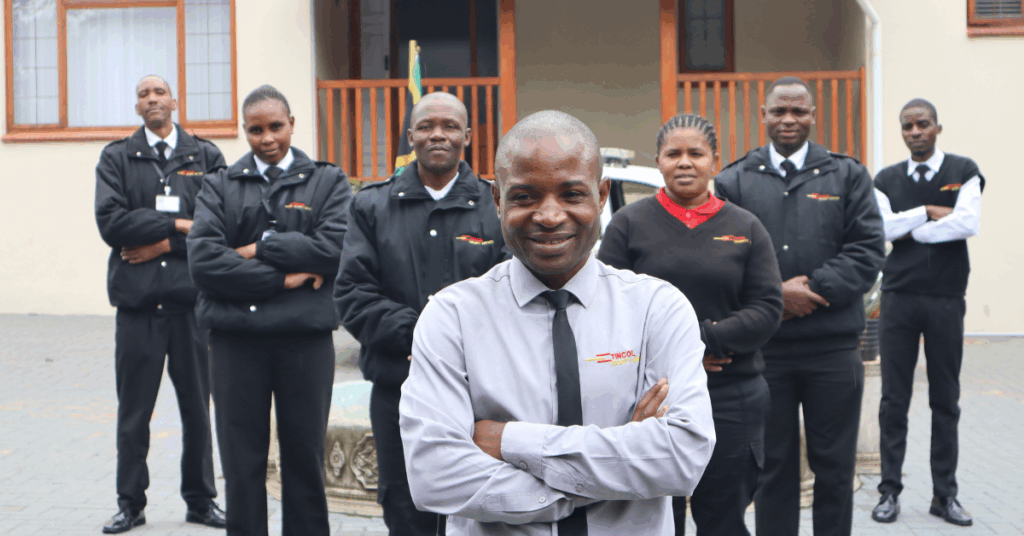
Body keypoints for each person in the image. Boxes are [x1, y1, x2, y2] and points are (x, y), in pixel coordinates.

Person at [399, 110, 716, 535]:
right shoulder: (452, 317)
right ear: (497, 200)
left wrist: (509, 441)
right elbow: (434, 475)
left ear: (601, 196)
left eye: (571, 194)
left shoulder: (657, 309)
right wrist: (614, 471)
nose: (549, 216)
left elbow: (681, 458)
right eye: (525, 196)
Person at [714, 76, 885, 536]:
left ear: (813, 115)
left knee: (834, 469)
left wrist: (812, 289)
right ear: (764, 115)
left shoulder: (847, 175)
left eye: (799, 111)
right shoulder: (734, 181)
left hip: (832, 351)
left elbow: (868, 250)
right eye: (779, 111)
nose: (789, 120)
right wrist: (776, 295)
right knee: (773, 468)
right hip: (764, 354)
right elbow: (724, 258)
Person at [598, 113, 783, 536]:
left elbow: (767, 306)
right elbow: (609, 303)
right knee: (654, 519)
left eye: (695, 153)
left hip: (730, 397)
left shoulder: (745, 226)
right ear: (659, 161)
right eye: (673, 153)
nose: (685, 162)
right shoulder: (629, 224)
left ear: (714, 162)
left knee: (723, 519)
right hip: (649, 399)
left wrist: (705, 342)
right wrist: (684, 357)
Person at [334, 91, 508, 536]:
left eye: (450, 126)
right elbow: (353, 293)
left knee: (480, 507)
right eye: (427, 125)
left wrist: (456, 349)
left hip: (480, 393)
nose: (438, 134)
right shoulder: (371, 206)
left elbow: (513, 296)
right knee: (405, 507)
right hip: (399, 388)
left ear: (467, 136)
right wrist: (423, 339)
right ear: (410, 134)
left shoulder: (498, 207)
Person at [187, 85, 352, 536]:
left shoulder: (328, 181)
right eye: (256, 130)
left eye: (275, 126)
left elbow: (335, 248)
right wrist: (285, 277)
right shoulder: (219, 184)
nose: (267, 138)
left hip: (305, 343)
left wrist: (259, 248)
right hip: (235, 343)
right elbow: (203, 262)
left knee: (304, 460)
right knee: (241, 464)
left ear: (292, 124)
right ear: (245, 131)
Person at [95, 75, 226, 534]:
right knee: (134, 414)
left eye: (159, 92)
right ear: (137, 107)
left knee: (197, 409)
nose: (152, 99)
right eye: (143, 95)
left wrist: (160, 244)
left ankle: (201, 501)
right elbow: (111, 223)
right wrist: (178, 226)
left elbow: (218, 227)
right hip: (138, 311)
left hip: (192, 309)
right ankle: (130, 504)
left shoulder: (206, 155)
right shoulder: (117, 157)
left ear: (174, 100)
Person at [870, 98, 982, 527]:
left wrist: (911, 226)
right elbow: (882, 229)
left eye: (923, 124)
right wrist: (930, 212)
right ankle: (889, 492)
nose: (915, 132)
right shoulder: (886, 179)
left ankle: (944, 495)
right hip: (899, 298)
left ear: (938, 128)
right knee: (893, 399)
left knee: (945, 400)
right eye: (907, 126)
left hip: (946, 298)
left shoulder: (964, 171)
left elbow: (968, 224)